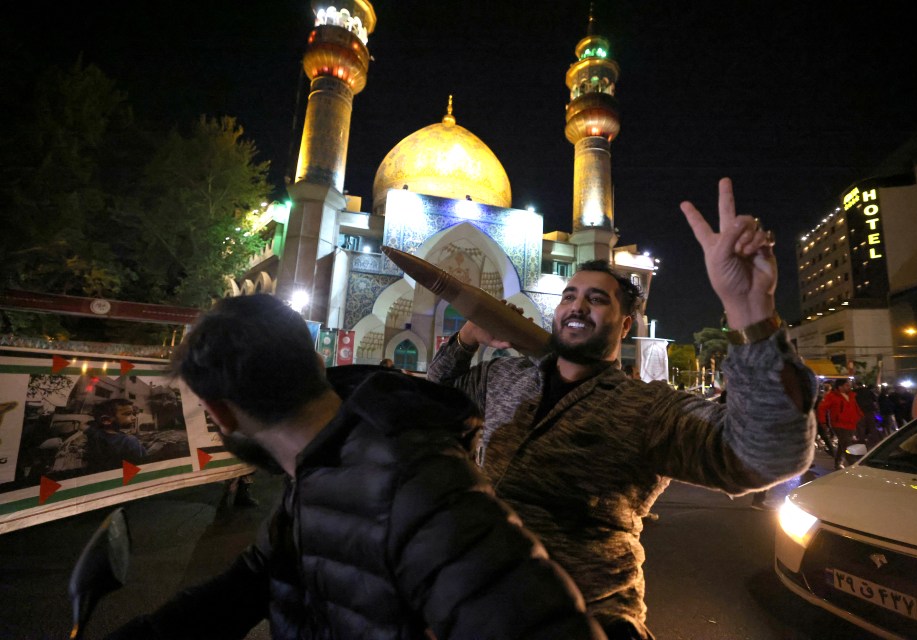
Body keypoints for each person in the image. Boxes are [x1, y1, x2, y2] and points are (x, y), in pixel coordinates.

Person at [428, 178, 816, 639]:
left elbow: (761, 456)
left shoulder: (647, 409)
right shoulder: (507, 378)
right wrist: (467, 337)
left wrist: (749, 310)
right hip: (475, 602)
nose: (577, 305)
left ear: (626, 324)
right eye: (569, 295)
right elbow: (436, 396)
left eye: (597, 299)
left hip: (585, 617)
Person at [107, 294, 604, 640]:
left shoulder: (418, 484)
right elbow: (242, 590)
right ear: (317, 365)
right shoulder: (315, 474)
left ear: (218, 412)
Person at [85, 398, 147, 472]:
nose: (134, 418)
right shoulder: (129, 441)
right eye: (128, 414)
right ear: (106, 420)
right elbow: (143, 466)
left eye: (133, 414)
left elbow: (85, 427)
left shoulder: (95, 434)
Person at [817, 378, 863, 470]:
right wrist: (823, 422)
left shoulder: (851, 395)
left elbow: (855, 408)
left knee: (843, 445)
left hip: (851, 424)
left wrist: (859, 418)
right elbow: (821, 409)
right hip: (839, 424)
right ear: (840, 386)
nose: (849, 386)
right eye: (847, 385)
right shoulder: (832, 396)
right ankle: (854, 465)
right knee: (847, 445)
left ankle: (838, 463)